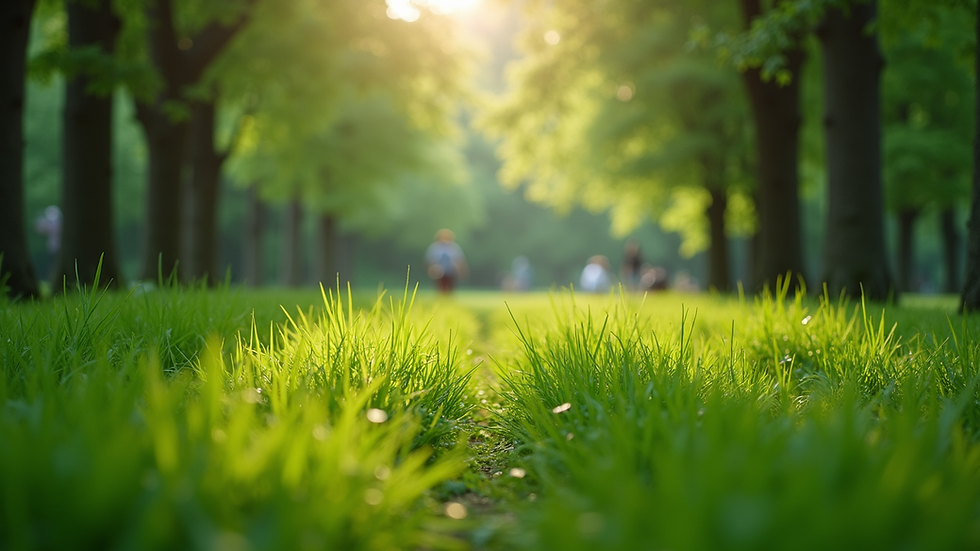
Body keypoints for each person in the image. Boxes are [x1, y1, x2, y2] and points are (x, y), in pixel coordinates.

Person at [425, 229, 468, 294]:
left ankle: (448, 299)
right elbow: (429, 260)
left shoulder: (454, 248)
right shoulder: (435, 248)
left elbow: (460, 260)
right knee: (440, 286)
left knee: (450, 286)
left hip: (451, 271)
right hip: (438, 271)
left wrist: (462, 271)